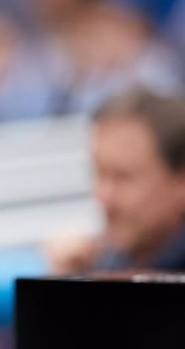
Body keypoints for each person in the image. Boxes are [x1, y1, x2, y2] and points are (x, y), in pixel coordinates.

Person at [47, 88, 185, 274]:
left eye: (123, 177)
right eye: (99, 174)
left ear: (180, 182)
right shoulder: (106, 262)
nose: (104, 198)